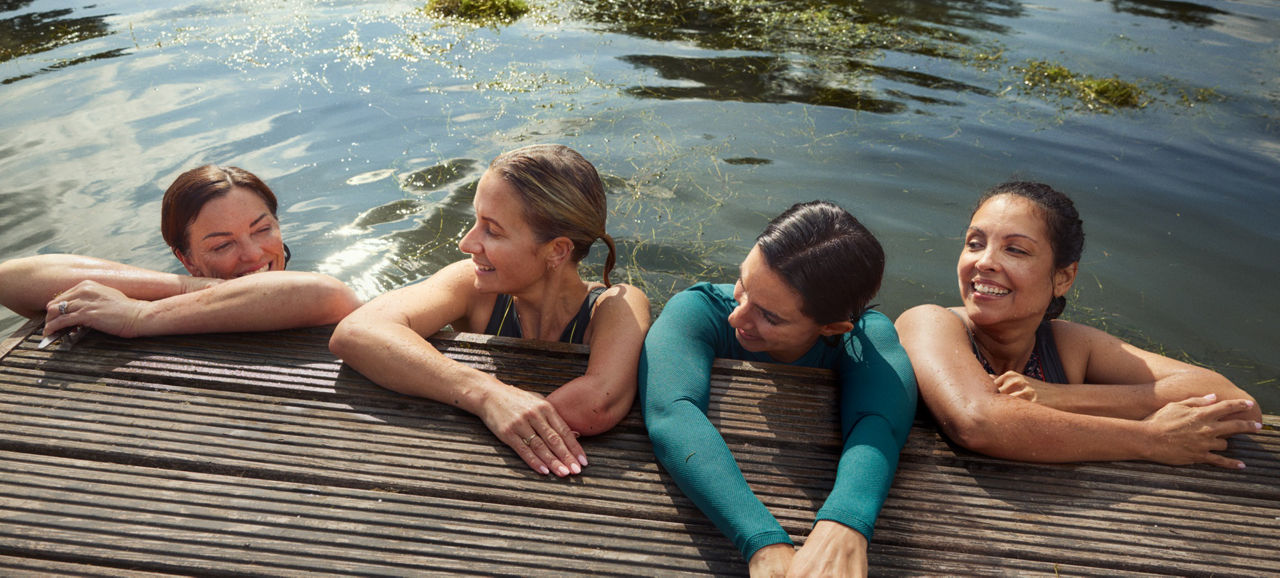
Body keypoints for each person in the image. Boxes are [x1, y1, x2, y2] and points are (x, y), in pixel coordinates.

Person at [329, 144, 651, 479]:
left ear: (557, 251)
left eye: (492, 230)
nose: (466, 244)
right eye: (475, 220)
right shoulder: (472, 285)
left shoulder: (616, 306)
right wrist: (487, 394)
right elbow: (357, 330)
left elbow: (596, 405)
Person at [895, 181, 1263, 469]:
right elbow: (979, 421)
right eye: (975, 243)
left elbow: (1239, 405)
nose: (984, 262)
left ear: (1063, 278)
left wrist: (1064, 397)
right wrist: (1148, 438)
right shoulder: (929, 322)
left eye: (1016, 250)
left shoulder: (1068, 346)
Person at [640, 201, 917, 577]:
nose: (736, 316)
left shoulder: (864, 336)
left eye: (769, 316)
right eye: (743, 284)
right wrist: (762, 541)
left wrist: (846, 521)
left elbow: (879, 421)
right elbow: (672, 412)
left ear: (831, 328)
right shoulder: (699, 309)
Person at [0, 165, 361, 339]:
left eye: (263, 229)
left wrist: (138, 316)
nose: (253, 255)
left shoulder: (316, 296)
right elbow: (12, 279)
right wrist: (189, 287)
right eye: (222, 244)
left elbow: (326, 295)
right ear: (186, 259)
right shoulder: (183, 294)